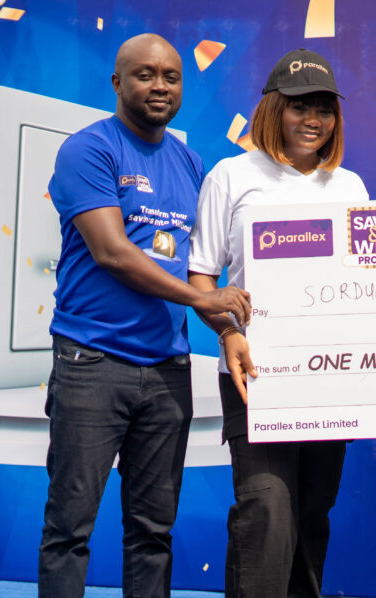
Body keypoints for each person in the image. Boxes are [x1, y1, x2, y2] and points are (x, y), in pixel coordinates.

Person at [38, 34, 251, 598]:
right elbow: (113, 252)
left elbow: (197, 267)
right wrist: (204, 301)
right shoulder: (88, 150)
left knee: (153, 532)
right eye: (145, 74)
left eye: (171, 77)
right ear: (117, 82)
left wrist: (226, 326)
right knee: (69, 529)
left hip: (166, 372)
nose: (160, 86)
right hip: (91, 363)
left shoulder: (189, 162)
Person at [187, 48, 368, 598]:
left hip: (329, 379)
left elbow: (374, 277)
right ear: (273, 108)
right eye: (299, 106)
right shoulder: (232, 175)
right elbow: (201, 277)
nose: (313, 119)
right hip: (255, 376)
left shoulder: (350, 186)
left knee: (312, 514)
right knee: (266, 511)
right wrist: (228, 331)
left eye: (324, 108)